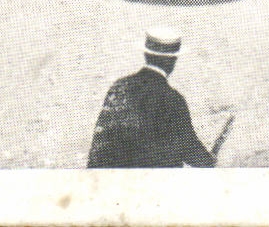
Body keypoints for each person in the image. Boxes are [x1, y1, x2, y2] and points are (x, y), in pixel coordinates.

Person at [88, 30, 216, 168]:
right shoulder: (172, 99)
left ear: (146, 54)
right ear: (172, 60)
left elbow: (100, 143)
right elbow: (188, 147)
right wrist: (209, 161)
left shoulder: (119, 87)